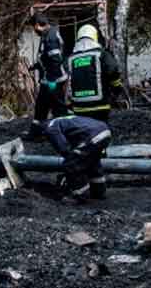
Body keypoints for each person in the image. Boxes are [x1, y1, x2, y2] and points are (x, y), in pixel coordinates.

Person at [43, 115, 111, 201]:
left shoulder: (50, 128)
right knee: (92, 162)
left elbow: (63, 148)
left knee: (71, 165)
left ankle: (81, 196)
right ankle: (98, 192)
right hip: (104, 130)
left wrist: (70, 163)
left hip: (93, 135)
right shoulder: (62, 120)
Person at [24, 12, 69, 140]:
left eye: (34, 27)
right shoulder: (48, 35)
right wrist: (36, 66)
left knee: (59, 109)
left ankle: (66, 133)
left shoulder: (51, 37)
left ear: (38, 25)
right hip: (48, 79)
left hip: (53, 80)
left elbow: (55, 59)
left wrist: (52, 80)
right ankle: (36, 133)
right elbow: (47, 58)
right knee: (41, 107)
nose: (34, 30)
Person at [66, 24, 123, 122]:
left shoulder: (70, 59)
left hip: (79, 108)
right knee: (101, 131)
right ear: (94, 37)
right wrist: (117, 88)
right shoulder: (102, 54)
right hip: (100, 106)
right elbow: (113, 70)